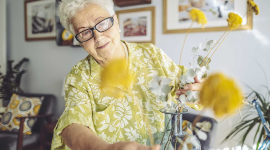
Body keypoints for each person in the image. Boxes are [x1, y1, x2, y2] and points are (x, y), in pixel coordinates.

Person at [52, 0, 204, 149]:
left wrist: (200, 91)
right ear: (80, 42)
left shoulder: (152, 54)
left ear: (116, 21)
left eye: (102, 23)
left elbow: (191, 88)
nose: (98, 37)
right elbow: (72, 125)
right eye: (85, 32)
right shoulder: (78, 77)